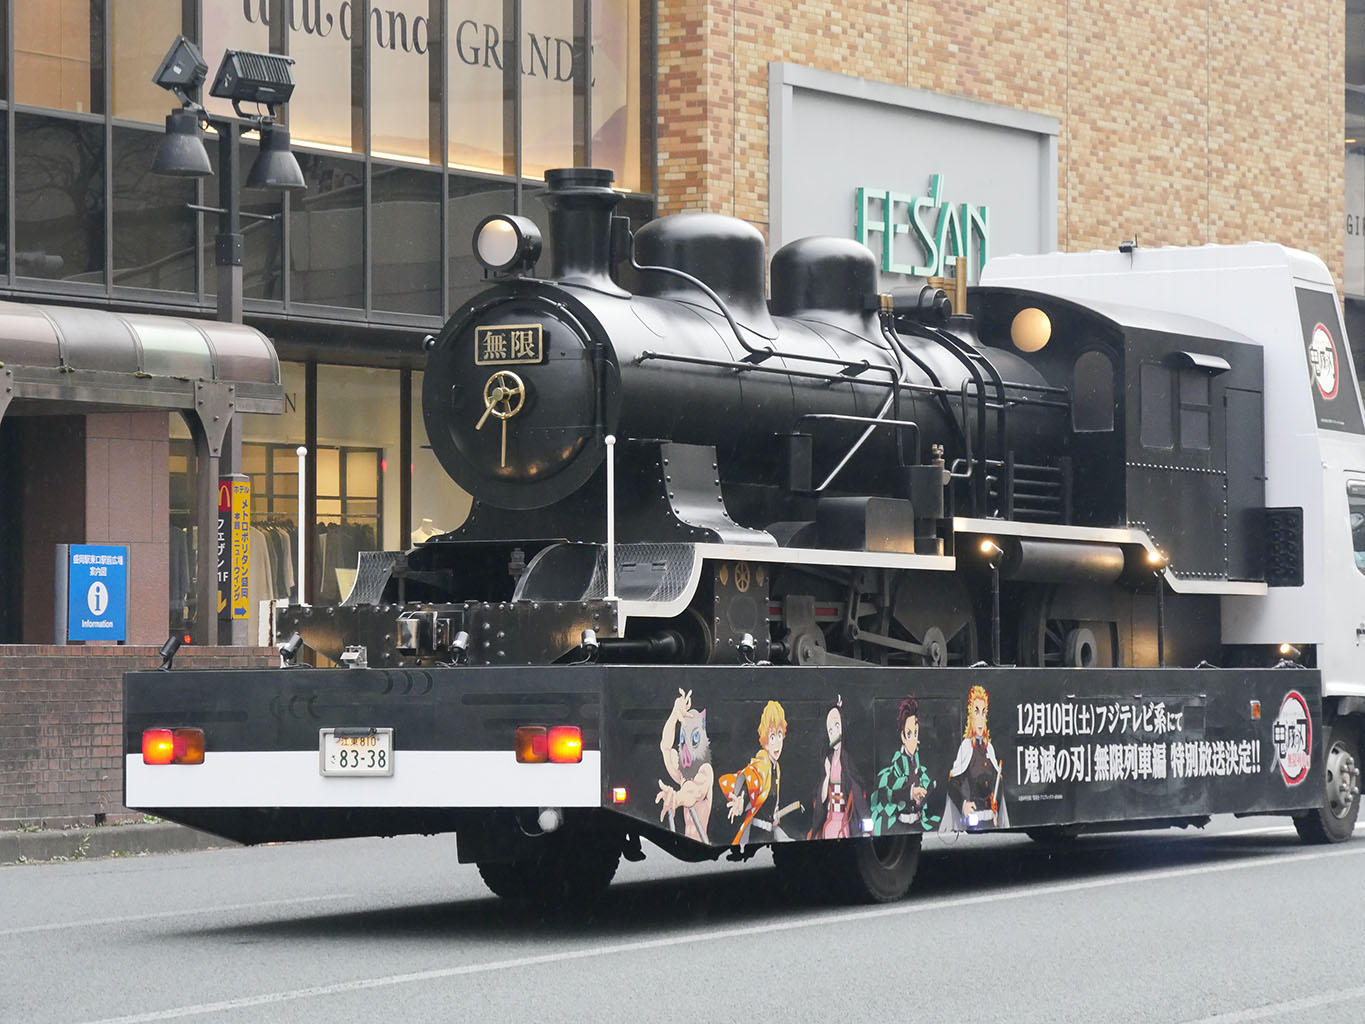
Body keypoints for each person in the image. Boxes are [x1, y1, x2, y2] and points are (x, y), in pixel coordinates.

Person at [941, 684, 1009, 830]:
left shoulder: (989, 748)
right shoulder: (966, 747)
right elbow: (953, 782)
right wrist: (963, 805)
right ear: (970, 715)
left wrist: (996, 806)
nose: (980, 719)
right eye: (976, 712)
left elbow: (998, 782)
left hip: (991, 820)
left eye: (983, 713)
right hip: (974, 817)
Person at [870, 695, 937, 834]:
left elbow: (927, 781)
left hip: (918, 822)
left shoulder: (918, 761)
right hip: (901, 824)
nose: (913, 740)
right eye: (909, 734)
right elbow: (890, 792)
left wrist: (923, 793)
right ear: (903, 736)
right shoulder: (898, 763)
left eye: (916, 733)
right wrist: (911, 793)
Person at [808, 696, 869, 839]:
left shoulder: (847, 760)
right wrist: (827, 775)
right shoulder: (828, 761)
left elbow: (857, 792)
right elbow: (822, 798)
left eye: (836, 726)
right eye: (830, 730)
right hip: (830, 818)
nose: (834, 733)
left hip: (844, 820)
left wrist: (865, 820)